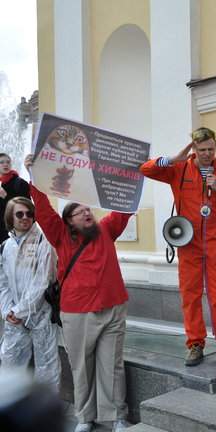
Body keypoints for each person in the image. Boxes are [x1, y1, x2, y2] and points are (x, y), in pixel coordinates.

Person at [24, 154, 132, 432]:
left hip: (112, 308)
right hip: (77, 312)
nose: (87, 213)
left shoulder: (107, 229)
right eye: (79, 212)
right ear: (69, 221)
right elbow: (44, 211)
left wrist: (129, 172)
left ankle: (116, 416)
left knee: (112, 366)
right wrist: (34, 176)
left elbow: (124, 207)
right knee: (81, 368)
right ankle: (85, 418)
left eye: (88, 210)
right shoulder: (60, 236)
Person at [140, 127, 216, 366]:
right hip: (188, 240)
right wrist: (172, 159)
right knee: (190, 293)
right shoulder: (179, 168)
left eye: (211, 149)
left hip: (215, 238)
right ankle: (195, 343)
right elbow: (145, 169)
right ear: (193, 148)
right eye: (202, 149)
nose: (207, 154)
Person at [0, 197, 60, 391]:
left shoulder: (44, 242)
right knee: (10, 364)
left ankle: (47, 415)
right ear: (11, 217)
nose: (25, 217)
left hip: (40, 315)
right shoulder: (5, 247)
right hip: (14, 318)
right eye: (19, 214)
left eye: (29, 213)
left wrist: (19, 310)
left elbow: (42, 281)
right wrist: (7, 311)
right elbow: (3, 283)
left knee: (47, 368)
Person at [0, 153, 30, 243]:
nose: (5, 164)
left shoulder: (20, 183)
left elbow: (27, 207)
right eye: (1, 162)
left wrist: (6, 197)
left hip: (14, 233)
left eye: (8, 162)